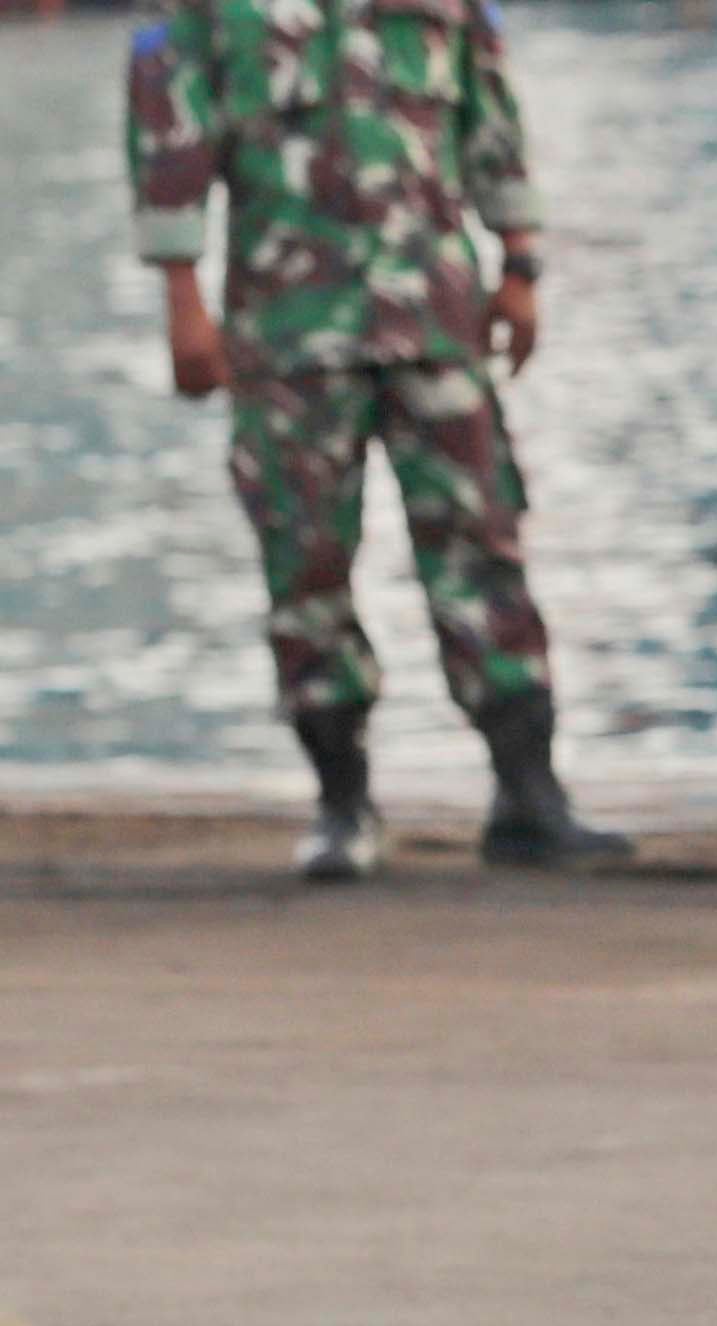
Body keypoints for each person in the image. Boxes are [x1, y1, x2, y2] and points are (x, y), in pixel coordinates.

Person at [128, 0, 628, 882]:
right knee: (304, 562)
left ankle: (528, 797)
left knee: (482, 544)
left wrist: (519, 264)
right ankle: (341, 805)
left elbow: (490, 117)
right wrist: (182, 298)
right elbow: (172, 136)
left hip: (436, 317)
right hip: (288, 331)